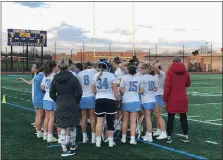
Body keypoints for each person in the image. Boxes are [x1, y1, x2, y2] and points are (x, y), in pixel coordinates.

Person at [50, 60, 83, 157]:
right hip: (72, 102)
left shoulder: (55, 79)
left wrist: (59, 100)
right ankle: (72, 145)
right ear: (68, 67)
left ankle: (64, 148)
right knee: (72, 125)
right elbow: (79, 93)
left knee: (63, 126)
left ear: (59, 67)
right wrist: (75, 101)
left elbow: (51, 94)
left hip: (61, 102)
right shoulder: (73, 78)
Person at [92, 59, 120, 147]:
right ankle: (110, 142)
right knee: (110, 121)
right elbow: (115, 91)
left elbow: (94, 90)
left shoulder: (95, 76)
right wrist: (118, 99)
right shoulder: (112, 76)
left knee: (99, 121)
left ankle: (98, 142)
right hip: (110, 99)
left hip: (99, 99)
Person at [163, 56, 191, 144]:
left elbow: (167, 87)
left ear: (173, 62)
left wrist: (165, 98)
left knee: (171, 118)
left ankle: (169, 137)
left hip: (172, 98)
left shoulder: (170, 72)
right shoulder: (185, 71)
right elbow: (188, 83)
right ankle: (186, 136)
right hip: (183, 97)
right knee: (183, 118)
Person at [119, 63, 143, 145]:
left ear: (128, 70)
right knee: (133, 122)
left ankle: (123, 138)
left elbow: (121, 90)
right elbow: (142, 91)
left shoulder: (124, 77)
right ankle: (132, 139)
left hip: (126, 100)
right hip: (135, 100)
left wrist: (126, 92)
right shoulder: (139, 78)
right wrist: (135, 92)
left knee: (125, 120)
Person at [17, 62, 45, 130]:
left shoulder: (37, 75)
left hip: (36, 96)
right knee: (40, 113)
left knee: (39, 113)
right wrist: (22, 79)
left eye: (33, 67)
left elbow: (30, 83)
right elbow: (31, 83)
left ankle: (39, 124)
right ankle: (40, 125)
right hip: (37, 96)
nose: (31, 68)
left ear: (36, 69)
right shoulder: (38, 75)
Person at [78, 61, 97, 143]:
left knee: (83, 117)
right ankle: (93, 137)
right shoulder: (94, 71)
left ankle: (84, 137)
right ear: (89, 66)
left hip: (83, 96)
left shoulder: (80, 73)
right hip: (91, 96)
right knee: (93, 117)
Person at [139, 63, 157, 142]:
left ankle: (149, 136)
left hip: (145, 100)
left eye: (142, 69)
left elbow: (142, 91)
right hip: (153, 99)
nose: (140, 70)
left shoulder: (142, 78)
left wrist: (137, 91)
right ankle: (148, 133)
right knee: (149, 118)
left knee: (147, 118)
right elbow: (155, 89)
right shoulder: (154, 78)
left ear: (146, 69)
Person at [41, 60, 58, 142]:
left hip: (46, 97)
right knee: (52, 118)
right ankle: (50, 136)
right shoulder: (55, 75)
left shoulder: (46, 75)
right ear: (54, 67)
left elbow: (42, 87)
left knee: (46, 118)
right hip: (52, 98)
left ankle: (45, 134)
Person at [153, 61, 167, 140]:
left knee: (158, 115)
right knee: (156, 115)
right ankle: (159, 130)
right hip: (156, 95)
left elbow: (155, 67)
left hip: (159, 95)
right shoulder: (156, 74)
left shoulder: (161, 73)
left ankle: (163, 132)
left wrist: (157, 62)